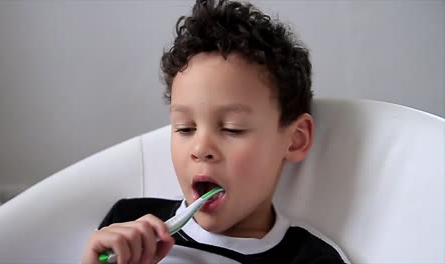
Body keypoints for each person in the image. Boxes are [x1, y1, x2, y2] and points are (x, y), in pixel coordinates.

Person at [81, 0, 347, 263]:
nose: (200, 149)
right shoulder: (127, 224)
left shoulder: (313, 260)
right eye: (185, 128)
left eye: (232, 129)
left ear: (295, 139)